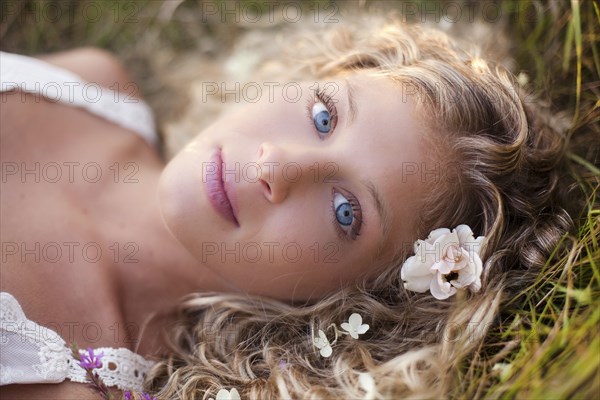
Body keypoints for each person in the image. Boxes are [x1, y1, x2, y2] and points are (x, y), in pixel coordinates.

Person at [0, 13, 586, 400]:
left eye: (345, 212)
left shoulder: (66, 384)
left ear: (359, 301)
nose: (276, 166)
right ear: (315, 77)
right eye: (324, 116)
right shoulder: (92, 86)